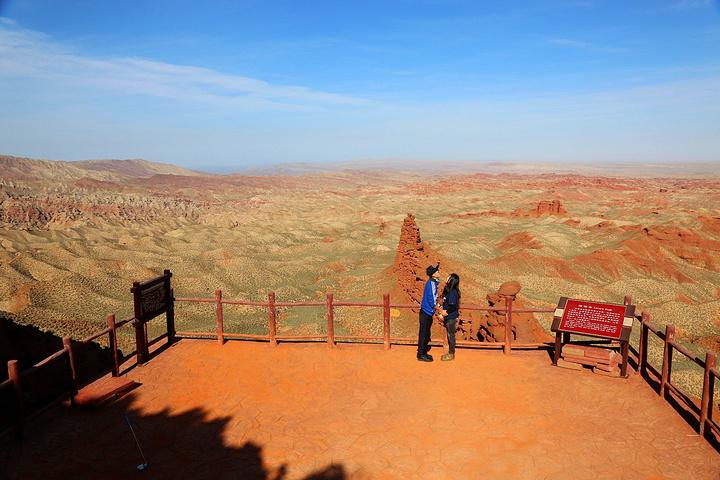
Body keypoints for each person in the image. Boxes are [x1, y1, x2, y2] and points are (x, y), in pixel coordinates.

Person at [417, 263, 440, 362]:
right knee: (424, 333)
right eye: (438, 271)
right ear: (434, 274)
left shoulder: (433, 282)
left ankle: (423, 352)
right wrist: (440, 310)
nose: (440, 272)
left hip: (427, 312)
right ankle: (420, 354)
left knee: (426, 333)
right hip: (426, 312)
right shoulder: (432, 284)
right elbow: (432, 301)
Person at [440, 273, 460, 361]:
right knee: (450, 335)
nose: (446, 277)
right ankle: (450, 353)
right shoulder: (450, 291)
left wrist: (445, 312)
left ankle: (451, 354)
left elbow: (453, 306)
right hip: (449, 317)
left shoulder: (452, 292)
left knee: (451, 335)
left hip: (451, 317)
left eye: (448, 277)